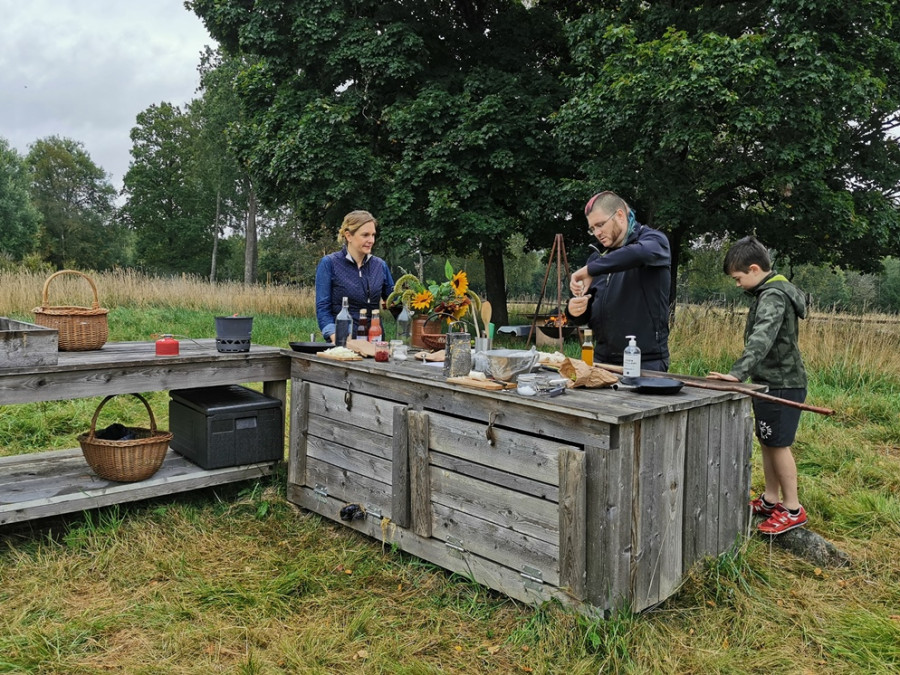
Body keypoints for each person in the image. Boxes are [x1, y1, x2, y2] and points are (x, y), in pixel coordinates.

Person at [707, 236, 809, 535]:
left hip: (782, 384)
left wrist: (737, 373)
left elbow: (762, 337)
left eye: (738, 278)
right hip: (767, 383)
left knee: (779, 446)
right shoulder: (769, 292)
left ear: (754, 269)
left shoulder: (773, 297)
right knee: (768, 441)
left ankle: (792, 509)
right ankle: (770, 499)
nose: (737, 285)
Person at [566, 190, 671, 371]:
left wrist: (591, 269)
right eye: (592, 229)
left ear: (620, 216)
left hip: (645, 362)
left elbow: (639, 253)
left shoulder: (654, 240)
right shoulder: (597, 258)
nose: (597, 233)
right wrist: (574, 310)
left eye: (600, 225)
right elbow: (588, 311)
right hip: (601, 360)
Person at [315, 210, 395, 343]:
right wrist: (338, 338)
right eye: (365, 235)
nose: (371, 240)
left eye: (373, 235)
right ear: (348, 236)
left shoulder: (380, 266)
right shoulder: (329, 264)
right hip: (343, 344)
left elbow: (395, 302)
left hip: (375, 343)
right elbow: (323, 309)